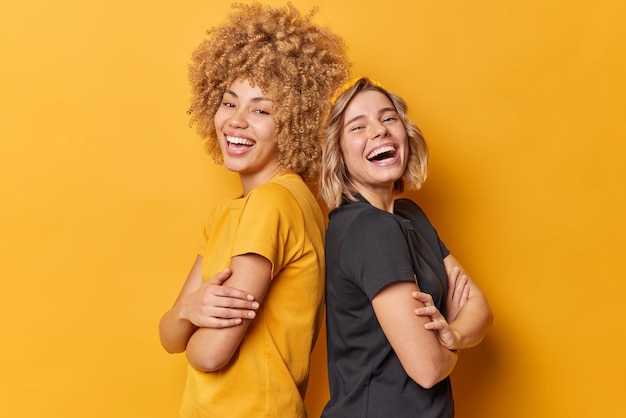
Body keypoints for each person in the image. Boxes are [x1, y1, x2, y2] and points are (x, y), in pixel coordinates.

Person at [158, 3, 349, 417]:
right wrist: (188, 311)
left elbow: (208, 353)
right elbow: (169, 336)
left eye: (261, 110)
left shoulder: (273, 203)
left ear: (294, 123)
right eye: (229, 103)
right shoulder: (235, 211)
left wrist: (187, 318)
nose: (236, 121)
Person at [319, 77, 493, 417]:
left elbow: (481, 310)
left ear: (404, 132)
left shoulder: (409, 216)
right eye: (358, 127)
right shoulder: (369, 229)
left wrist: (452, 334)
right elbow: (428, 368)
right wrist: (450, 334)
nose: (379, 130)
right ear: (338, 155)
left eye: (388, 118)